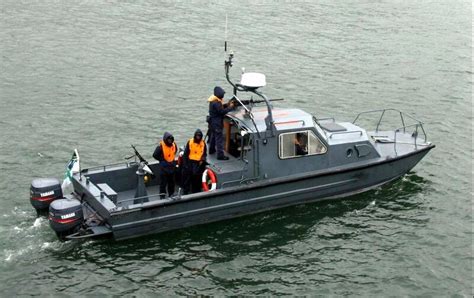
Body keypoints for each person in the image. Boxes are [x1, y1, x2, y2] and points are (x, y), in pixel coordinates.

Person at [208, 86, 234, 160]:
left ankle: (211, 150)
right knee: (219, 139)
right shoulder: (217, 103)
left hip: (212, 123)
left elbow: (219, 108)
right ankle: (220, 155)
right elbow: (222, 112)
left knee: (213, 137)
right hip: (217, 123)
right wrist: (230, 107)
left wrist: (226, 105)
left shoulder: (213, 100)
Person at [153, 132, 177, 199]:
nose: (170, 140)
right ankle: (162, 196)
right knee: (163, 183)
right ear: (165, 139)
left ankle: (171, 194)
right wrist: (162, 159)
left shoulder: (174, 145)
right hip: (164, 168)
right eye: (168, 139)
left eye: (171, 139)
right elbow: (155, 155)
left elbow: (175, 151)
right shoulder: (160, 147)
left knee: (171, 182)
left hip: (172, 167)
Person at [182, 129, 207, 194]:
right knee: (187, 178)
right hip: (190, 162)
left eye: (199, 136)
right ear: (195, 136)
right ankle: (185, 192)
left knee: (196, 178)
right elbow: (185, 154)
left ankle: (196, 192)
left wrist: (202, 159)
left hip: (198, 163)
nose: (198, 137)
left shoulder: (203, 143)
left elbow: (204, 153)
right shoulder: (190, 142)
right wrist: (186, 165)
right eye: (197, 135)